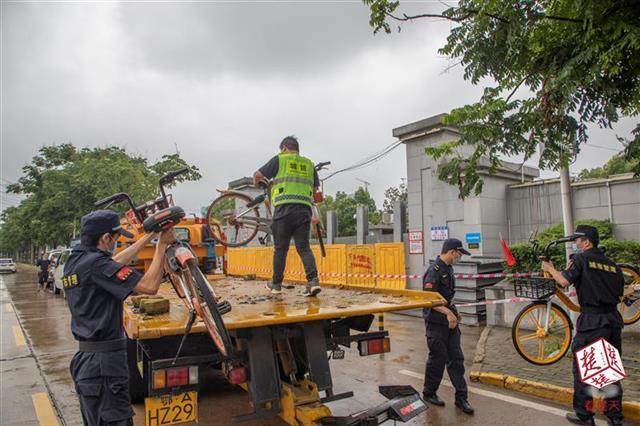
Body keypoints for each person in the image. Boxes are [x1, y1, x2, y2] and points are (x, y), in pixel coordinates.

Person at [63, 210, 175, 425]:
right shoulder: (97, 265)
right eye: (116, 238)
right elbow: (150, 287)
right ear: (106, 238)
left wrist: (148, 236)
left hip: (87, 361)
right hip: (104, 367)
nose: (117, 242)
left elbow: (113, 261)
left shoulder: (76, 261)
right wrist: (161, 246)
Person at [542, 225, 624, 426]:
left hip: (593, 323)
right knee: (609, 372)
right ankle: (614, 416)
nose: (576, 245)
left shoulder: (581, 259)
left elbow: (563, 281)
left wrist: (550, 268)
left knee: (584, 372)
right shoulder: (612, 265)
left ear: (587, 242)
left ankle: (584, 415)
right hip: (612, 321)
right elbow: (620, 295)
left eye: (578, 241)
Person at [254, 135, 321, 297]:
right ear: (297, 149)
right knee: (304, 247)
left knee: (280, 249)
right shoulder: (309, 164)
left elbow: (257, 175)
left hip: (284, 209)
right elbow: (315, 190)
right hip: (304, 210)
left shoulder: (280, 159)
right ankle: (313, 282)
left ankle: (276, 284)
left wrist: (260, 184)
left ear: (284, 148)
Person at [421, 238, 474, 415]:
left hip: (450, 321)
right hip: (436, 322)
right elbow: (428, 300)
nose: (459, 257)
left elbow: (447, 297)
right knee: (438, 358)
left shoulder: (448, 269)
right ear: (452, 252)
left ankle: (461, 398)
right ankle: (429, 392)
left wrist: (454, 313)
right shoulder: (433, 271)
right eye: (459, 253)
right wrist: (448, 313)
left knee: (456, 359)